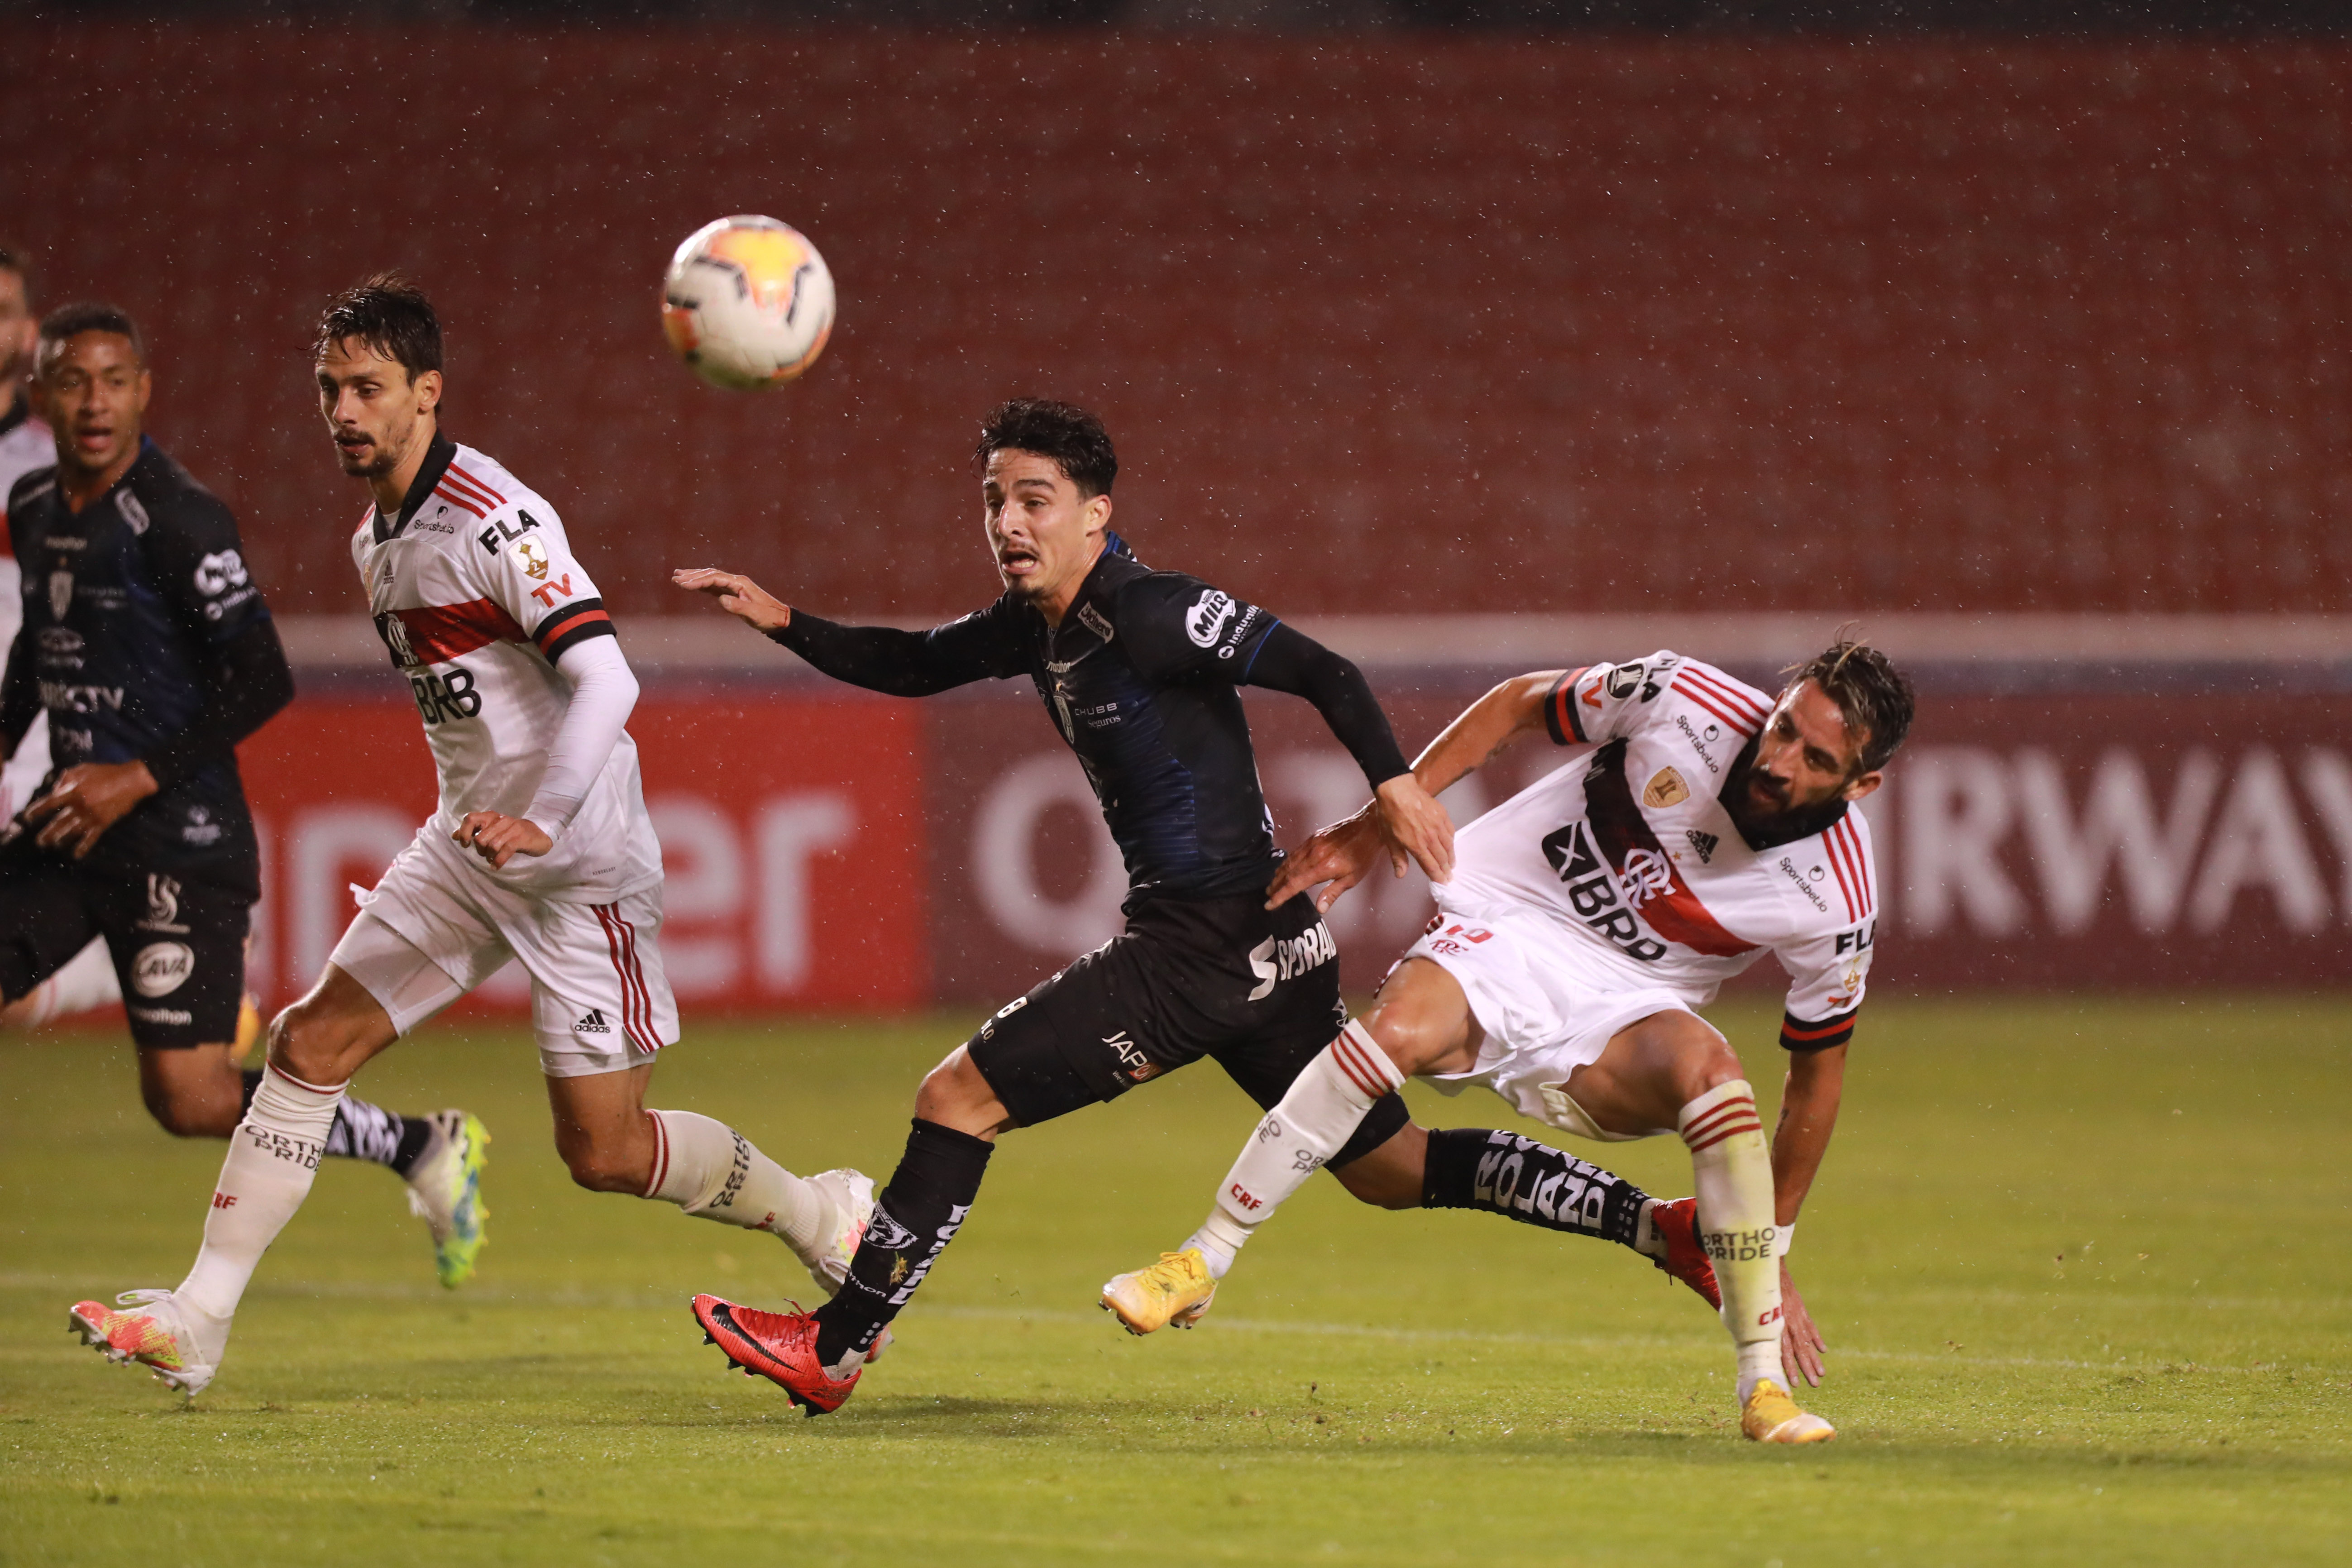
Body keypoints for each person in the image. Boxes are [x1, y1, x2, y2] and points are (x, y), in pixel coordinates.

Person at [675, 399, 1721, 1416]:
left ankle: (839, 1343)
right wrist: (783, 620)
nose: (1007, 523)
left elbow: (1323, 668)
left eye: (1035, 500)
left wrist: (1394, 786)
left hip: (1197, 948)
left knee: (958, 1098)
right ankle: (1658, 1228)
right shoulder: (1036, 625)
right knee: (1393, 1167)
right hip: (1268, 940)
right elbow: (911, 663)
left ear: (1097, 512)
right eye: (994, 500)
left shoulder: (1151, 609)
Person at [66, 276, 869, 1398]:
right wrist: (497, 819)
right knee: (305, 1046)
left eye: (370, 388)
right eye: (329, 389)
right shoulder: (375, 539)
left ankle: (820, 1206)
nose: (345, 410)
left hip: (577, 864)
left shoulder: (500, 519)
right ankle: (199, 1318)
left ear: (426, 394)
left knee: (604, 1153)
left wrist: (543, 815)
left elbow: (606, 674)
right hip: (470, 846)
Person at [1104, 640, 1913, 1445]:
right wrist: (1381, 817)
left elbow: (1816, 1079)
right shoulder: (1683, 698)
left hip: (1626, 1007)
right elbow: (1522, 701)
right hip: (1505, 921)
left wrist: (1774, 1242)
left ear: (1862, 783)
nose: (1778, 759)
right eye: (1782, 728)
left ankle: (1762, 1385)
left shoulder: (1837, 897)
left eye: (1815, 758)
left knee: (1719, 1079)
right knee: (1395, 1035)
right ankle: (1203, 1259)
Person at [1, 300, 474, 1328]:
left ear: (144, 393)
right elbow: (38, 649)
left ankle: (414, 1144)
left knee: (193, 1100)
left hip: (181, 842)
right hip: (69, 826)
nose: (94, 401)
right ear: (41, 396)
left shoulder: (178, 518)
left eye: (114, 380)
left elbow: (262, 677)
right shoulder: (36, 503)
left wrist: (136, 775)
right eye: (73, 381)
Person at [0, 244, 122, 1031]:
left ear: (30, 334)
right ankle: (123, 961)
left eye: (1, 313)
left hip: (29, 752)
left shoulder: (60, 467)